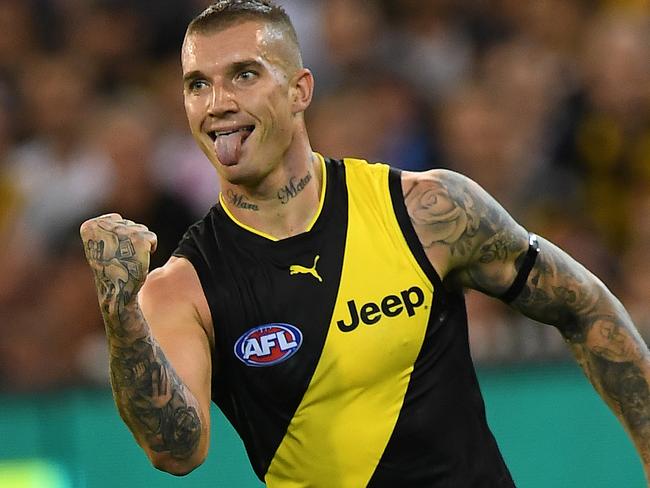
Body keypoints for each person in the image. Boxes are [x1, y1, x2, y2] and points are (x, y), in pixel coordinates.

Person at [79, 1, 650, 486]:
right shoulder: (182, 287)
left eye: (244, 75)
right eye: (197, 85)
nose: (217, 102)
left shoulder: (427, 210)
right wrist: (120, 314)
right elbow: (177, 451)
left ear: (301, 89)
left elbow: (585, 305)